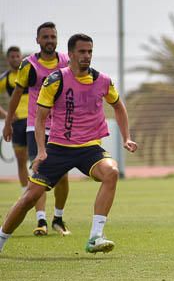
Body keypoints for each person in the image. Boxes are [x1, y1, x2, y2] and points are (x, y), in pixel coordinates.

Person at [0, 33, 137, 254]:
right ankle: (1, 238)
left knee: (111, 172)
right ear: (71, 54)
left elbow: (119, 106)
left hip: (89, 148)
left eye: (90, 51)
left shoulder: (103, 80)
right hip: (58, 148)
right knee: (30, 197)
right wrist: (42, 151)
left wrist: (126, 137)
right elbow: (40, 118)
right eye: (82, 51)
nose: (87, 56)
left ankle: (95, 237)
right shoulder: (56, 80)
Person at [2, 22, 71, 236]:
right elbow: (16, 94)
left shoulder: (66, 61)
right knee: (38, 173)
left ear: (57, 39)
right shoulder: (28, 65)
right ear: (38, 40)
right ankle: (41, 220)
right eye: (45, 37)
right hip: (36, 125)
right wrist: (8, 121)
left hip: (60, 125)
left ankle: (58, 218)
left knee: (62, 177)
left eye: (53, 36)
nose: (49, 40)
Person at [1, 47, 31, 194]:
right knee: (21, 160)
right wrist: (6, 114)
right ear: (8, 59)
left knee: (38, 160)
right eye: (11, 56)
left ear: (21, 57)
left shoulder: (30, 74)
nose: (14, 59)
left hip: (34, 122)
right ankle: (25, 192)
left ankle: (37, 191)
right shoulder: (5, 78)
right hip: (18, 124)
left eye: (17, 56)